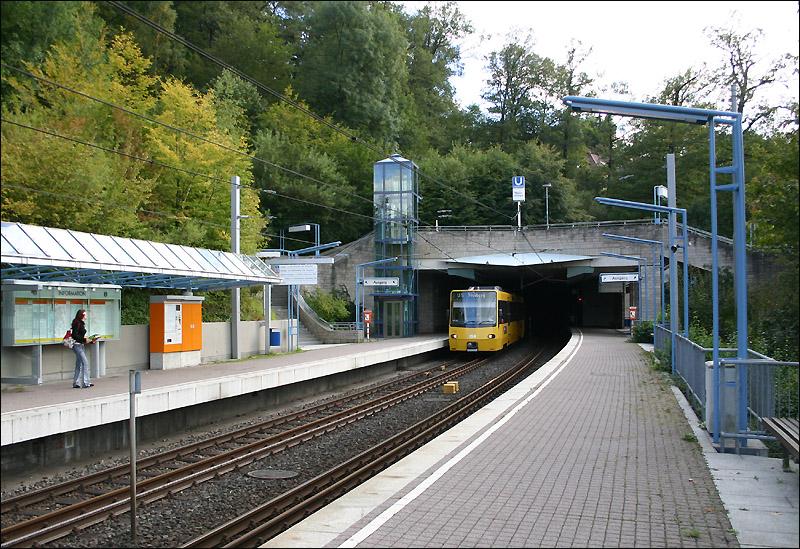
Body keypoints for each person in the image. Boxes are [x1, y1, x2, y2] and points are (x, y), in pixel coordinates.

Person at [71, 309, 96, 388]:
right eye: (85, 314)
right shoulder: (77, 323)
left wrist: (90, 340)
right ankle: (86, 383)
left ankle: (76, 383)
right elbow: (74, 336)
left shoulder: (80, 323)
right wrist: (84, 340)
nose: (86, 316)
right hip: (77, 345)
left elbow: (80, 336)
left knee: (79, 364)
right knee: (85, 363)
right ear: (81, 315)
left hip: (80, 345)